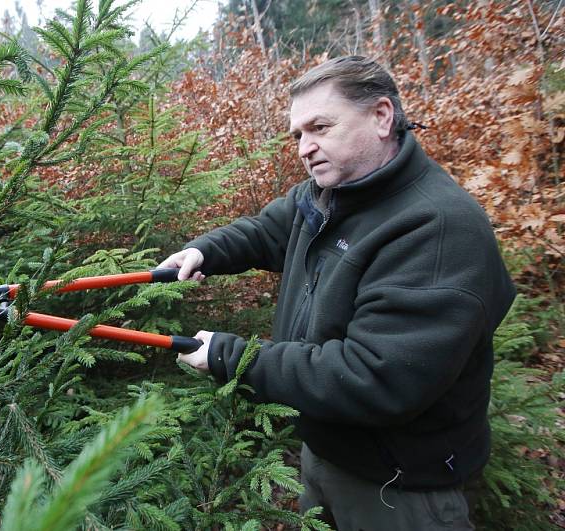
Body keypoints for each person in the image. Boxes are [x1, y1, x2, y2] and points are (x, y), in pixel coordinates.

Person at [158, 56, 516, 530]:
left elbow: (376, 377)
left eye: (321, 127)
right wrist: (203, 252)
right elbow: (269, 231)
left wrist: (234, 357)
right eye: (297, 135)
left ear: (382, 116)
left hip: (398, 483)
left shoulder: (438, 228)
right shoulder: (333, 191)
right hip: (326, 448)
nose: (305, 148)